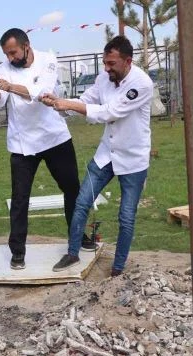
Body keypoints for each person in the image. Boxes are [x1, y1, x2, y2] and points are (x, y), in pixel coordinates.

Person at [0, 28, 91, 271]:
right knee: (19, 199)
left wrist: (12, 86)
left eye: (13, 52)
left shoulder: (48, 59)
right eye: (6, 54)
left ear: (27, 46)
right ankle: (17, 252)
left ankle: (79, 237)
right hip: (22, 143)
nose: (10, 58)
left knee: (72, 189)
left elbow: (42, 93)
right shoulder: (5, 68)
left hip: (55, 137)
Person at [40, 35, 153, 277]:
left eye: (111, 63)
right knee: (81, 202)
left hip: (133, 159)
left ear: (127, 61)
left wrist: (68, 106)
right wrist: (57, 103)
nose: (106, 68)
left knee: (125, 217)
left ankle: (118, 269)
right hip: (107, 153)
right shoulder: (104, 78)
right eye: (105, 62)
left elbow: (109, 113)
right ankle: (72, 252)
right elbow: (85, 101)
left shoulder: (141, 84)